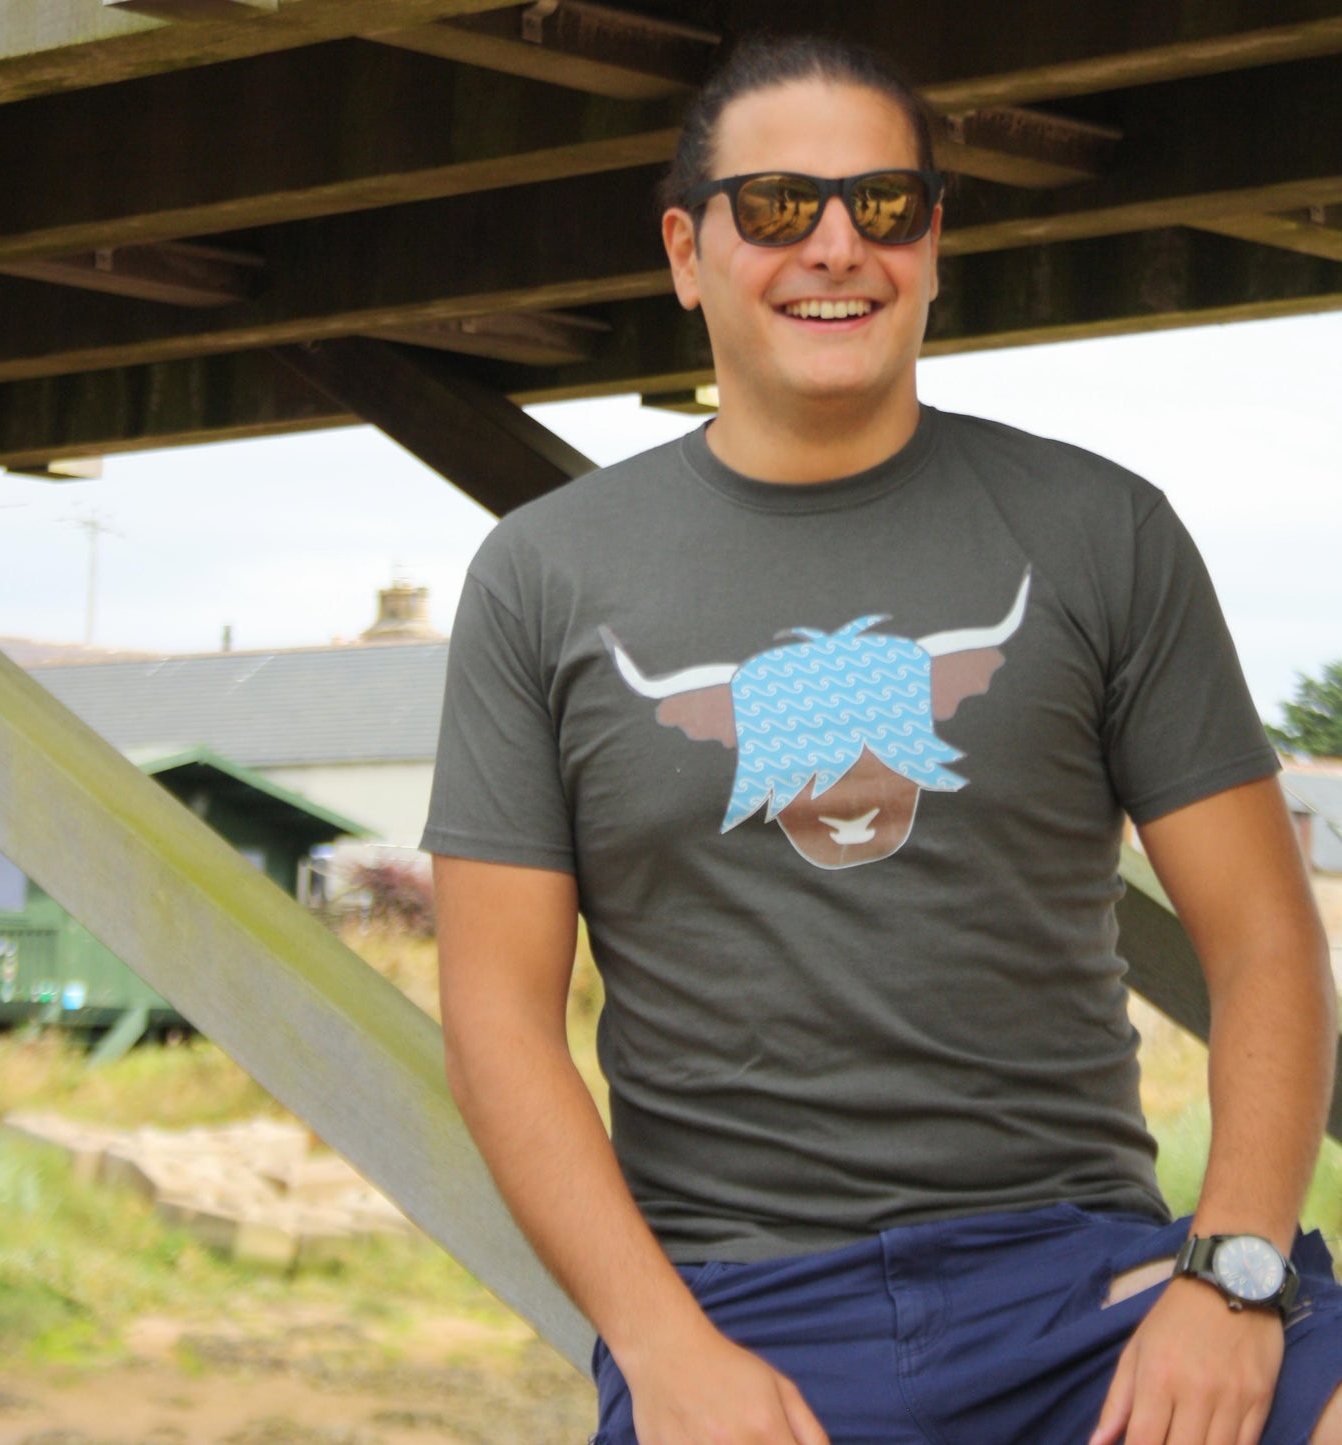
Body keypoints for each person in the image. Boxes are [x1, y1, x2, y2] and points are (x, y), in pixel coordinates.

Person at [421, 32, 1342, 1445]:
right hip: (744, 1310)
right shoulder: (543, 578)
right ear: (685, 251)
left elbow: (1266, 943)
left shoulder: (1103, 532)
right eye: (779, 207)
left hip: (1085, 1281)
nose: (836, 246)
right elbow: (494, 1016)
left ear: (933, 243)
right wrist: (660, 1347)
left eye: (887, 206)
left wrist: (1228, 1275)